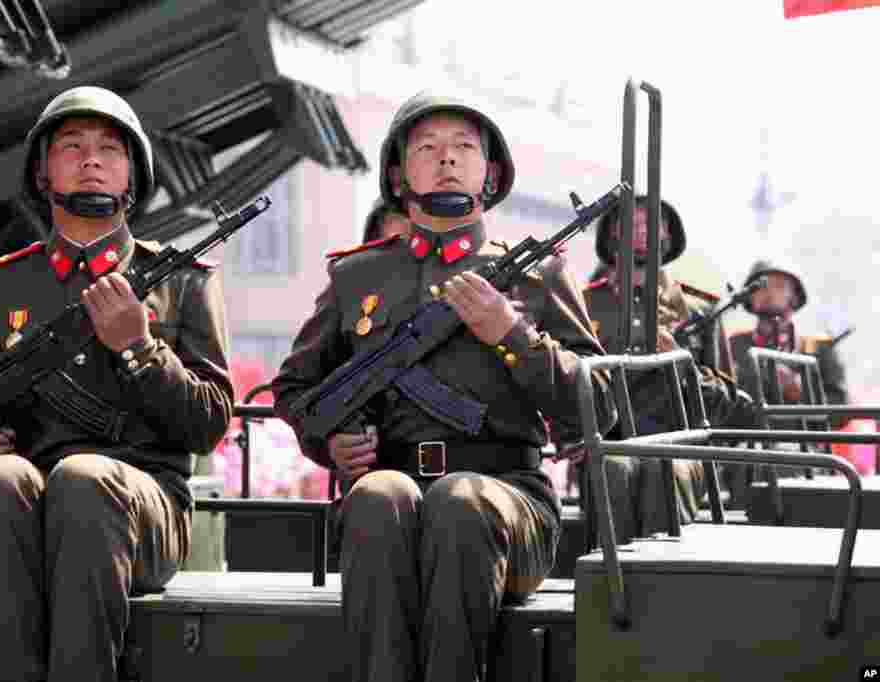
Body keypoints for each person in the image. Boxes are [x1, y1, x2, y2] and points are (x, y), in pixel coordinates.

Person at [272, 92, 616, 682]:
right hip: (394, 495)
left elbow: (599, 407)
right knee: (377, 498)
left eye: (463, 147)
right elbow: (295, 387)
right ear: (398, 174)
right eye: (426, 148)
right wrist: (329, 444)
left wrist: (511, 334)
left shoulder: (540, 275)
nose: (446, 159)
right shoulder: (358, 275)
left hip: (509, 503)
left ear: (492, 172)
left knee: (459, 501)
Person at [0, 86, 234, 682]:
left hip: (144, 509)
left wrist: (140, 347)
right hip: (27, 505)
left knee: (84, 478)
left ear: (132, 176)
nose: (91, 159)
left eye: (109, 149)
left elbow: (210, 421)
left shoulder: (183, 282)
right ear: (43, 174)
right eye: (71, 147)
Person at [578, 195, 757, 540]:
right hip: (608, 445)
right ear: (611, 233)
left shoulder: (699, 310)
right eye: (631, 223)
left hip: (680, 448)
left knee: (662, 471)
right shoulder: (584, 306)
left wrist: (682, 366)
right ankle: (604, 584)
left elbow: (731, 410)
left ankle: (657, 584)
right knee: (613, 469)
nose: (642, 231)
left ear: (669, 236)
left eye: (652, 224)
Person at [725, 258, 850, 505]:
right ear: (749, 296)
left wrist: (798, 391)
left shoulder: (818, 348)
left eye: (780, 286)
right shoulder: (734, 346)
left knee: (783, 461)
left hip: (805, 453)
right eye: (761, 285)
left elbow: (841, 413)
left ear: (795, 296)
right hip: (745, 452)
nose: (770, 292)